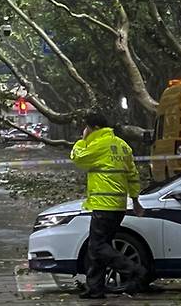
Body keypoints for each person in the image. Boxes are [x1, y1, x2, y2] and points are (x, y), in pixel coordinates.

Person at [70, 112, 148, 299]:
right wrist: (136, 200)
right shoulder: (122, 146)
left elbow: (78, 157)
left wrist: (82, 141)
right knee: (100, 247)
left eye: (87, 127)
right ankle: (95, 288)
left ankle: (134, 270)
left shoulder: (99, 145)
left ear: (94, 128)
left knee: (97, 247)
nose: (85, 130)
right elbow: (133, 175)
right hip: (118, 205)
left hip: (104, 205)